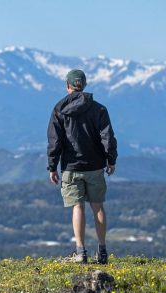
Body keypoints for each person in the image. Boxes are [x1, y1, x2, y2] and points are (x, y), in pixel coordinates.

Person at [47, 69, 118, 264]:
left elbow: (55, 141)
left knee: (77, 207)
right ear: (84, 85)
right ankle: (102, 251)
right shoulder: (99, 109)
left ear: (67, 86)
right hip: (95, 166)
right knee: (98, 206)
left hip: (71, 167)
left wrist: (52, 166)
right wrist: (110, 160)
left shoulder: (59, 109)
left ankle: (80, 252)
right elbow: (108, 138)